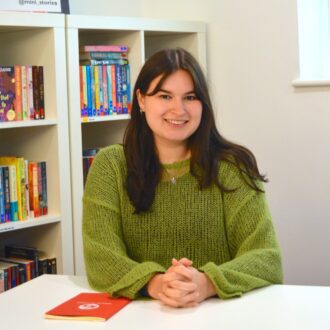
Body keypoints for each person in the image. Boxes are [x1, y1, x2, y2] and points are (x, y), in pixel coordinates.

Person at [82, 47, 283, 308]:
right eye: (165, 96)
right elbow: (101, 259)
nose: (179, 110)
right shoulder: (110, 166)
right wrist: (158, 284)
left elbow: (267, 258)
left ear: (203, 104)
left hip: (224, 317)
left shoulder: (233, 166)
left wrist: (206, 283)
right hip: (139, 320)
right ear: (141, 100)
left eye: (190, 97)